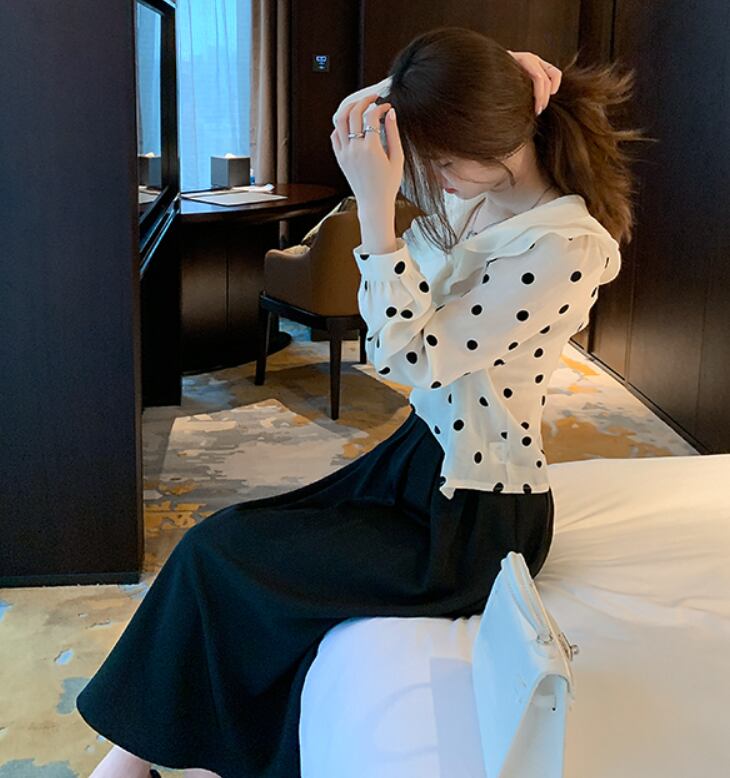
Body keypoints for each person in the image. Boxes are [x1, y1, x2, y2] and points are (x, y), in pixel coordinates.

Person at [75, 28, 644, 778]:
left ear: (494, 137)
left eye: (443, 160)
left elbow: (409, 357)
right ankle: (150, 755)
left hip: (478, 519)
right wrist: (451, 82)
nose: (431, 179)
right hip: (420, 464)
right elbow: (355, 121)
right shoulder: (479, 189)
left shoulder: (566, 246)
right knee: (231, 541)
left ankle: (137, 762)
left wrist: (378, 216)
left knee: (225, 554)